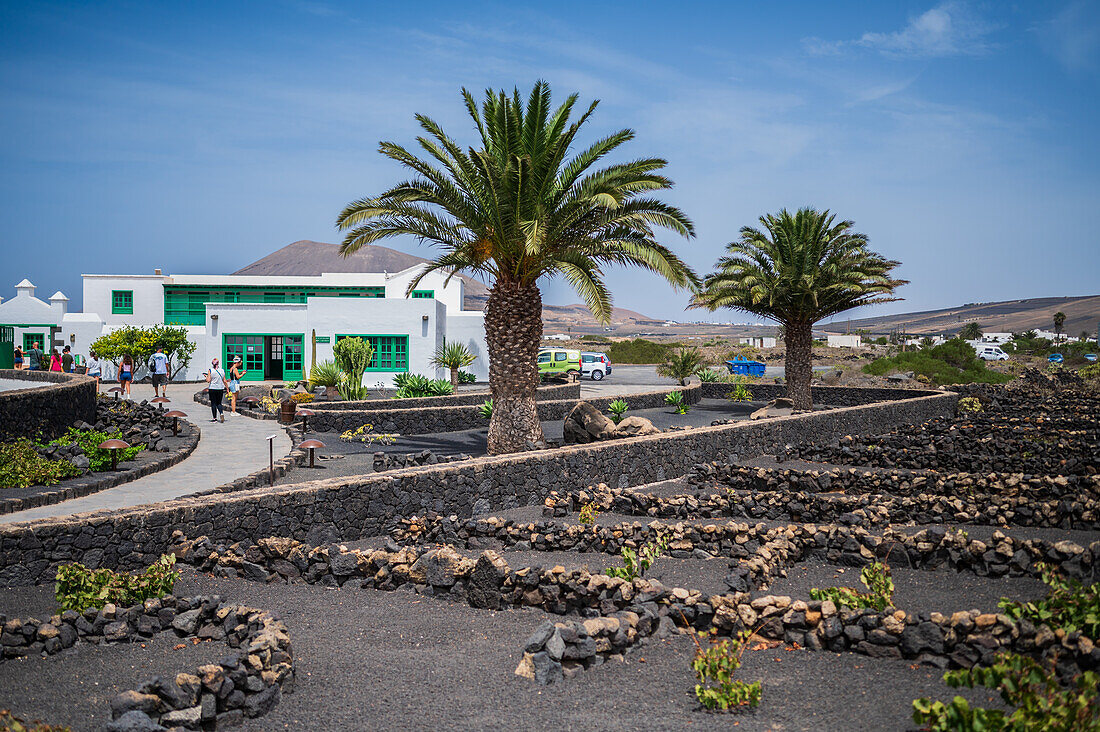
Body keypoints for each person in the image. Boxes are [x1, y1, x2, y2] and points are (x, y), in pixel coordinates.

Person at [205, 357, 229, 422]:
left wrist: (206, 376)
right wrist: (227, 389)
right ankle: (221, 413)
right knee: (219, 403)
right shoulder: (222, 371)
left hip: (212, 388)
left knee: (213, 404)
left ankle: (214, 418)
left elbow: (208, 380)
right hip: (220, 388)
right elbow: (224, 380)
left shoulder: (210, 370)